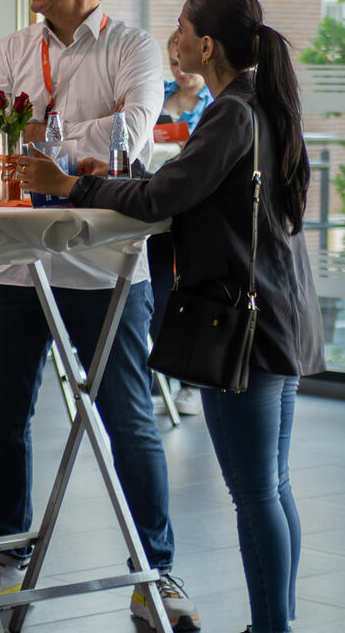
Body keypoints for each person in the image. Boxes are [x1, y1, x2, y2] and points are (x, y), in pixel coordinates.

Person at [18, 0, 326, 633]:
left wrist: (71, 184)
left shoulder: (233, 110)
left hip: (244, 323)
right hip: (280, 313)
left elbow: (167, 198)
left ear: (204, 44)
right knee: (271, 485)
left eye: (182, 30)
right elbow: (180, 186)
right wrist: (121, 179)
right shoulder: (256, 102)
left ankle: (271, 628)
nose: (175, 39)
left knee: (254, 490)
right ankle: (277, 623)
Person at [0, 0, 200, 632]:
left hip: (103, 270)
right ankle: (1, 558)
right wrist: (64, 153)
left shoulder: (132, 47)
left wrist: (43, 146)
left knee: (129, 421)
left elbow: (131, 137)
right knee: (2, 419)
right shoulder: (11, 49)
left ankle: (154, 572)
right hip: (12, 267)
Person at [150, 31, 213, 417]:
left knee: (191, 293)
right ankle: (165, 378)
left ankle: (193, 383)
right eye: (174, 63)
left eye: (184, 60)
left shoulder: (218, 104)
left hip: (194, 207)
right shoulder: (157, 94)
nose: (181, 70)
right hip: (156, 202)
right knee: (157, 294)